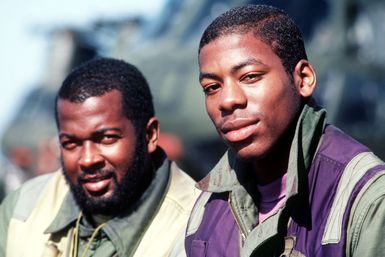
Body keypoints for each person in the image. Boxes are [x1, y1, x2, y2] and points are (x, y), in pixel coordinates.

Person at [185, 4, 385, 257]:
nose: (227, 100)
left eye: (250, 76)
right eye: (212, 87)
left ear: (303, 79)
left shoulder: (366, 198)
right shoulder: (206, 210)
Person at [0, 58, 200, 257]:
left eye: (106, 138)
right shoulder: (23, 208)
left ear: (149, 135)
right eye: (71, 143)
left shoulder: (200, 231)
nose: (87, 159)